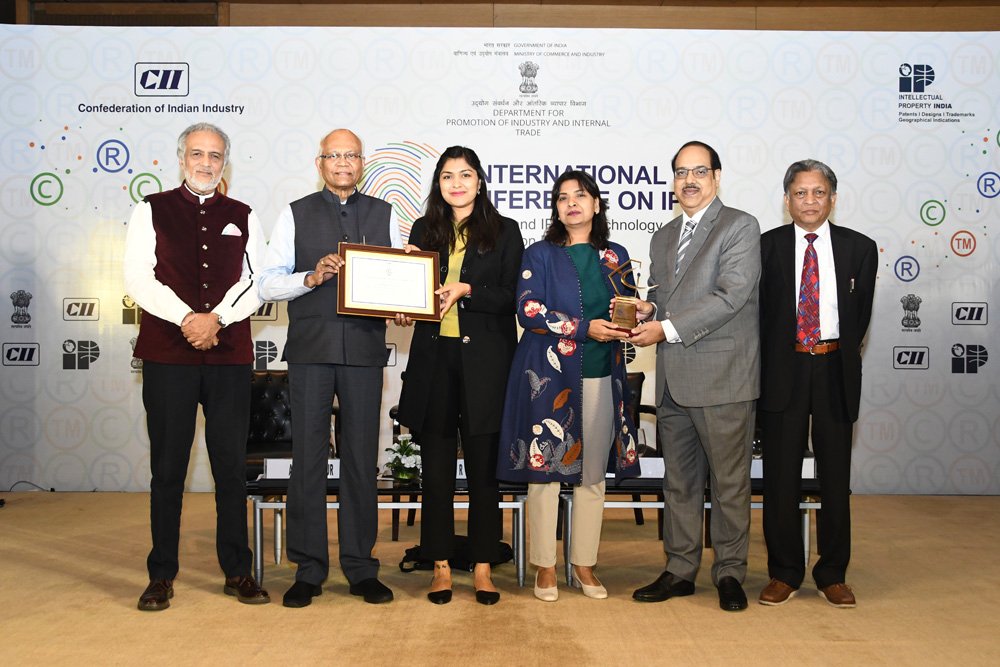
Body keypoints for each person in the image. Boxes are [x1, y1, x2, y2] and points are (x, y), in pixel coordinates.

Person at [124, 122, 269, 611]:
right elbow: (138, 278)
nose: (206, 163)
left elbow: (256, 281)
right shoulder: (149, 209)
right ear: (181, 158)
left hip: (229, 355)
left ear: (225, 162)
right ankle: (161, 574)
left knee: (230, 467)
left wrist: (217, 319)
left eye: (215, 156)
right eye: (197, 154)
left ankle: (238, 570)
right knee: (168, 468)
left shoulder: (244, 214)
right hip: (169, 354)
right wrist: (188, 319)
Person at [258, 129, 401, 608]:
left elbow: (399, 279)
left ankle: (360, 567)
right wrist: (310, 277)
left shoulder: (384, 214)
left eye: (351, 155)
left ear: (362, 162)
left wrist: (405, 305)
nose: (343, 162)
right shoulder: (294, 212)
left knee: (361, 459)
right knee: (309, 460)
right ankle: (309, 569)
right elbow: (267, 284)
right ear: (319, 163)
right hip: (311, 350)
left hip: (363, 351)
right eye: (334, 155)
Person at [629, 140, 761, 612]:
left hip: (723, 377)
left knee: (729, 484)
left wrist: (664, 328)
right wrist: (650, 310)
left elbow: (731, 296)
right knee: (679, 483)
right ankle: (680, 569)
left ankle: (729, 572)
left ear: (717, 177)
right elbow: (669, 302)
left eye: (699, 171)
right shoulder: (663, 236)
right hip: (673, 380)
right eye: (681, 172)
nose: (689, 180)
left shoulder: (740, 226)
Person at [498, 170, 640, 602]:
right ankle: (545, 566)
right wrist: (583, 328)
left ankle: (584, 564)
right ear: (556, 209)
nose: (572, 203)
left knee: (591, 474)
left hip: (601, 375)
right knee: (545, 472)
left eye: (580, 195)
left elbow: (626, 310)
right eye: (563, 198)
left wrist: (641, 313)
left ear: (596, 204)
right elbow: (528, 310)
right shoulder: (539, 254)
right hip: (550, 376)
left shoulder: (616, 255)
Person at [394, 146, 523, 605]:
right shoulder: (423, 229)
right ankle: (441, 566)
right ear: (438, 184)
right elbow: (413, 292)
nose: (457, 183)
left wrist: (468, 290)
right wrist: (404, 307)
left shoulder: (504, 230)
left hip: (486, 364)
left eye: (465, 175)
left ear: (480, 182)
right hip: (435, 361)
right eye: (448, 176)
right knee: (436, 472)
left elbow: (512, 296)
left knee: (485, 472)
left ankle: (484, 566)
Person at [757, 159, 877, 609]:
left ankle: (832, 573)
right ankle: (784, 572)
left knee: (835, 478)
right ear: (787, 199)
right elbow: (759, 316)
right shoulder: (765, 247)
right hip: (782, 370)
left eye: (819, 192)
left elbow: (859, 317)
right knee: (780, 478)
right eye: (801, 193)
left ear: (833, 198)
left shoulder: (860, 248)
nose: (810, 201)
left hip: (833, 369)